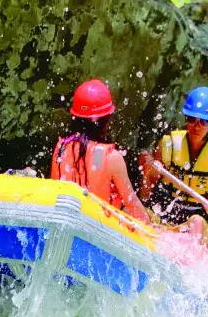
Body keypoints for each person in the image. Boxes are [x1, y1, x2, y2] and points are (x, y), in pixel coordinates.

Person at [138, 86, 208, 245]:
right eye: (191, 119)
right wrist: (147, 172)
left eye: (203, 121)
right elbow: (145, 193)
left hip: (193, 225)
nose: (196, 126)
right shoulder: (167, 144)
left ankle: (192, 257)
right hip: (161, 216)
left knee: (197, 222)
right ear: (185, 118)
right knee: (136, 210)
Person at [51, 79, 150, 224]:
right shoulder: (110, 158)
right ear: (106, 119)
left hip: (63, 222)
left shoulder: (61, 147)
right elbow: (139, 215)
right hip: (96, 231)